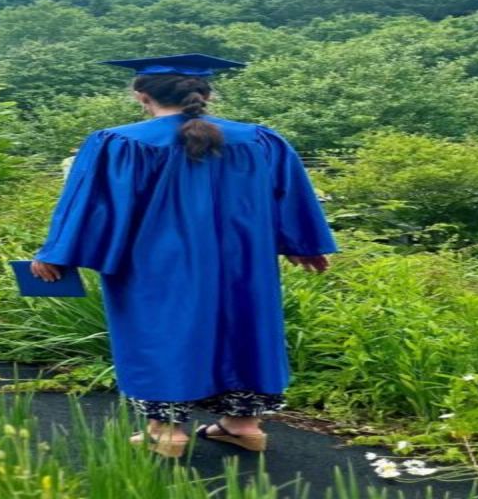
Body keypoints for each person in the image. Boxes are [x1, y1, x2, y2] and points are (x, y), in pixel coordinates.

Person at [30, 53, 336, 458]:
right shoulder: (259, 139)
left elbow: (92, 205)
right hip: (244, 263)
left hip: (156, 263)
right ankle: (243, 424)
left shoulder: (119, 142)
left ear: (140, 96)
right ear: (207, 94)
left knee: (163, 328)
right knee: (244, 327)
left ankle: (167, 432)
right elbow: (290, 195)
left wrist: (58, 253)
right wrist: (305, 243)